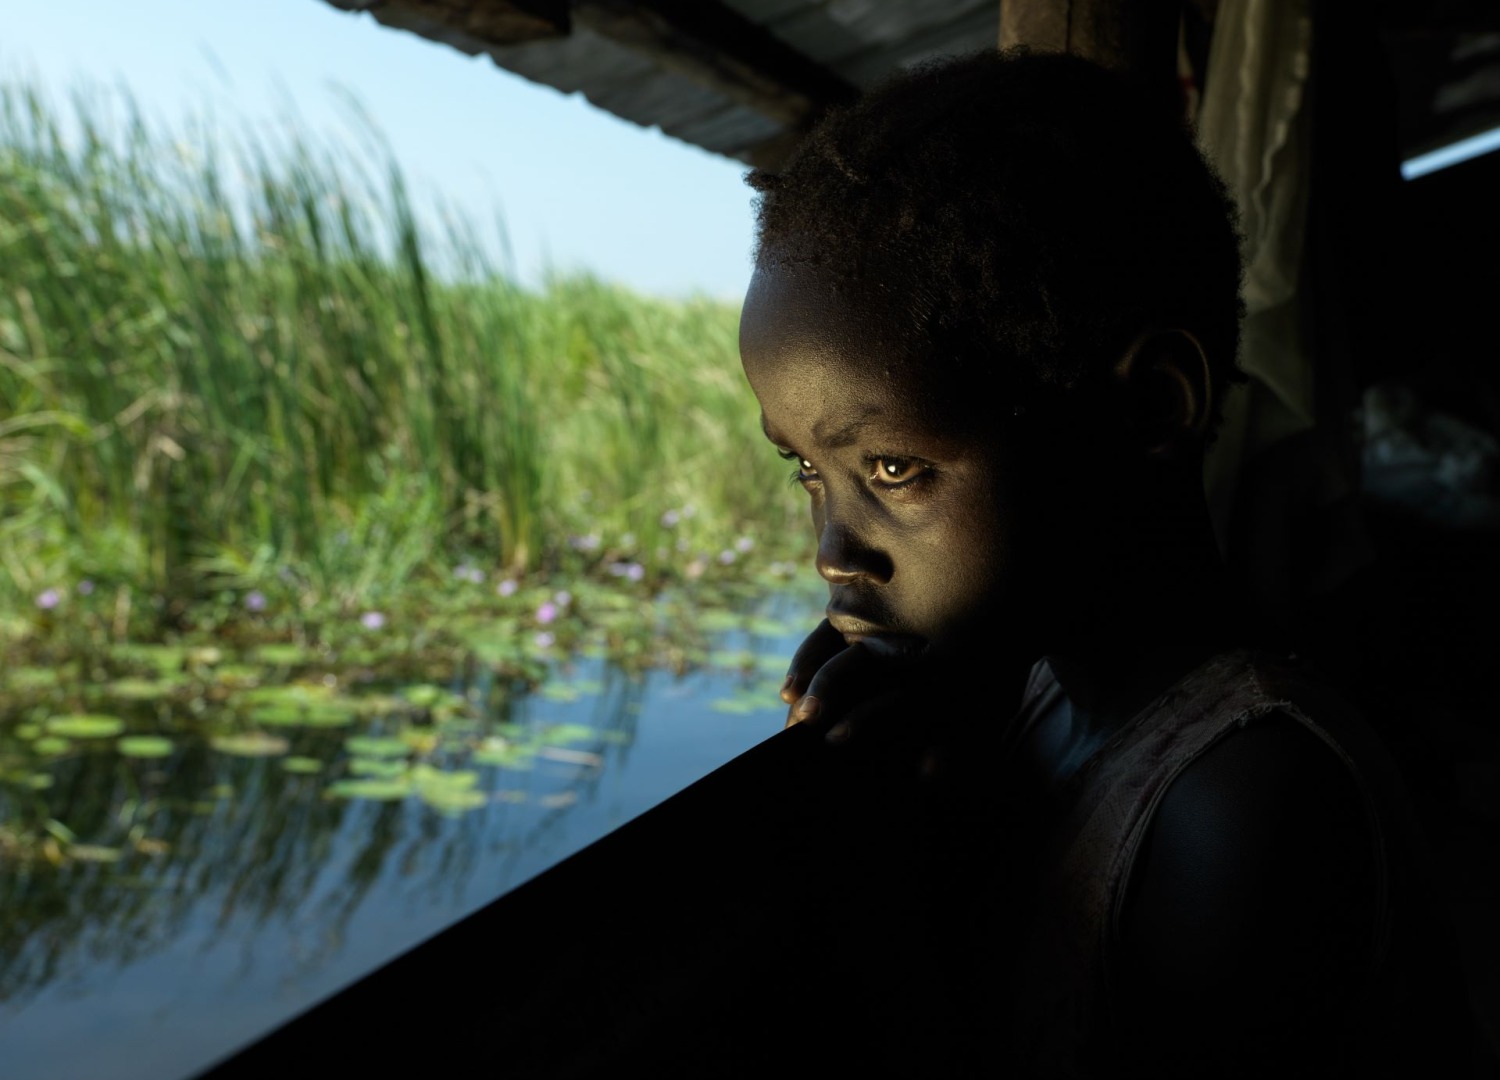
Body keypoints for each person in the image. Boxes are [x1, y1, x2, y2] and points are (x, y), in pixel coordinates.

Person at [739, 48, 1477, 1078]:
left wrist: (868, 901)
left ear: (1147, 408)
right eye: (806, 472)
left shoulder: (1247, 808)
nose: (831, 553)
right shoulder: (1042, 683)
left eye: (895, 469)